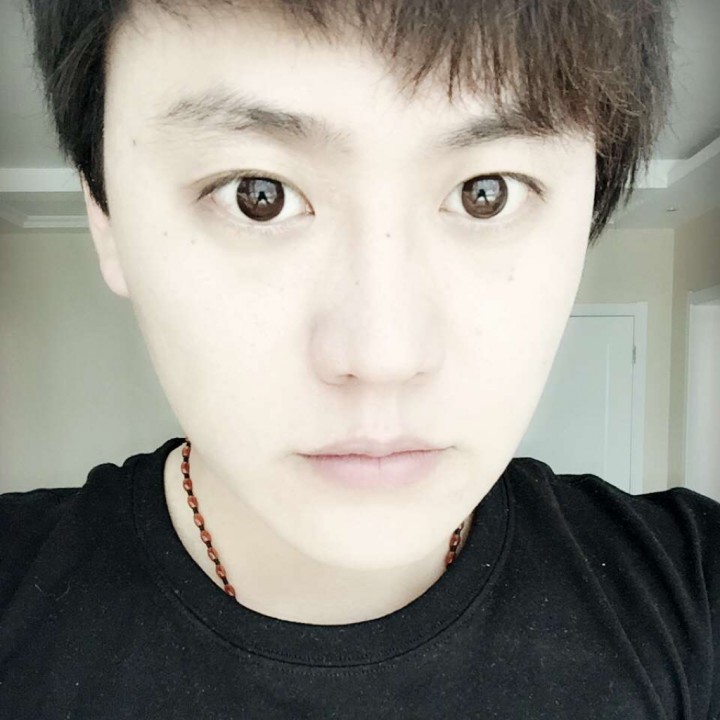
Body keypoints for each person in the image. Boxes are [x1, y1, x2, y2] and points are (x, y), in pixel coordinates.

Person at [1, 0, 717, 717]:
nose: (383, 357)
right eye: (258, 196)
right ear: (107, 220)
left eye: (485, 195)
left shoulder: (692, 598)